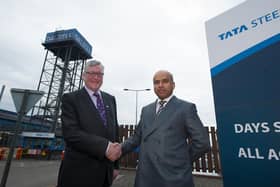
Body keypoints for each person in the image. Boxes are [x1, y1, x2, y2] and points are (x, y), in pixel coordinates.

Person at [121, 70, 211, 187]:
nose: (160, 85)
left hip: (173, 179)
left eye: (165, 81)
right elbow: (136, 138)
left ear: (173, 85)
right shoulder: (146, 110)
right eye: (156, 82)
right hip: (145, 178)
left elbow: (202, 143)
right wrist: (117, 148)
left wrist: (181, 162)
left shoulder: (186, 108)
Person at [57, 60, 121, 187]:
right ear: (83, 76)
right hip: (78, 174)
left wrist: (115, 166)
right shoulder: (70, 99)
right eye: (91, 73)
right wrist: (105, 147)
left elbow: (115, 132)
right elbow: (71, 133)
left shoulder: (110, 99)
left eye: (100, 74)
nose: (96, 77)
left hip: (105, 173)